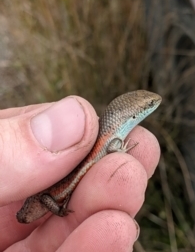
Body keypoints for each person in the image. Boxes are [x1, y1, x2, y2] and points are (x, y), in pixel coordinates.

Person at [0, 96, 160, 251]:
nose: (26, 218)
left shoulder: (42, 198)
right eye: (25, 217)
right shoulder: (40, 198)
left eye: (25, 216)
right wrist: (59, 210)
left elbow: (110, 148)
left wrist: (59, 211)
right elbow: (112, 148)